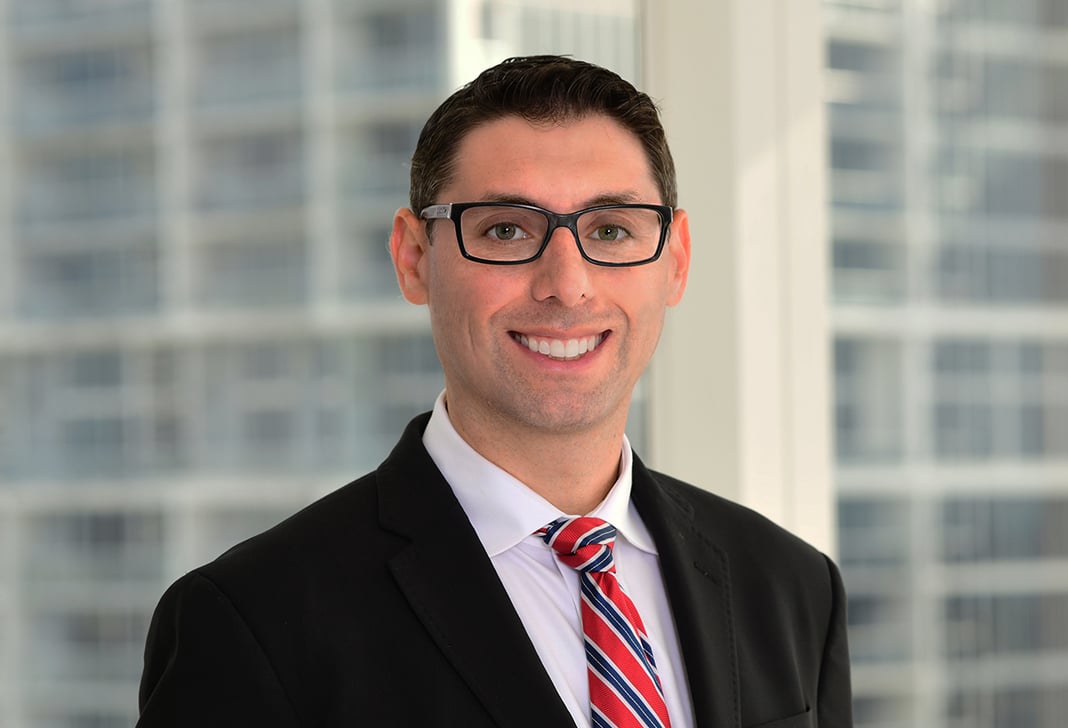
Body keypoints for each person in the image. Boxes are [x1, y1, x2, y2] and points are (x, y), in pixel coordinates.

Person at [137, 55, 853, 728]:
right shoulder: (252, 622)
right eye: (507, 230)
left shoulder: (792, 588)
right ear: (414, 258)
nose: (567, 284)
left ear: (676, 259)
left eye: (611, 229)